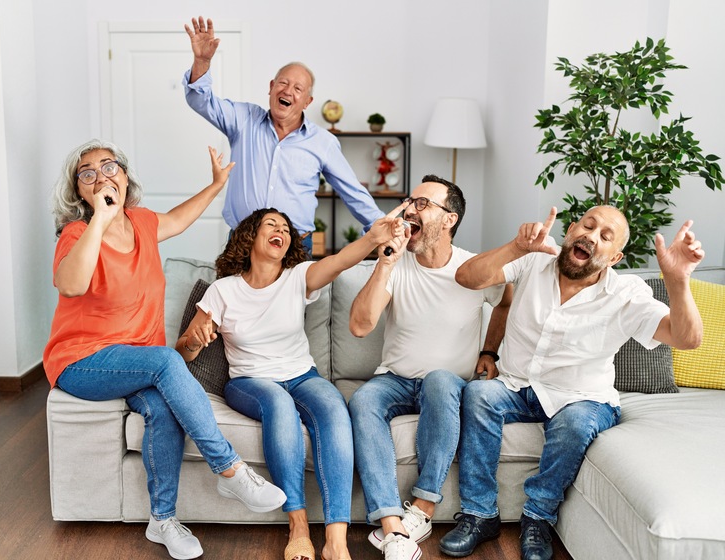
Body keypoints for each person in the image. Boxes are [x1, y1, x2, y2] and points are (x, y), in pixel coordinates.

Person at [43, 139, 287, 560]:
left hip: (137, 362)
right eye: (88, 173)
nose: (101, 175)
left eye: (109, 166)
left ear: (124, 175)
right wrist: (100, 220)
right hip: (82, 361)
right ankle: (229, 469)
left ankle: (162, 520)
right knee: (167, 361)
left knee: (162, 408)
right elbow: (71, 284)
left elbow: (178, 217)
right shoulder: (77, 233)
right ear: (80, 192)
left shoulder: (141, 222)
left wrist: (215, 185)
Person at [440, 206, 704, 560]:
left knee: (576, 422)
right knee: (478, 394)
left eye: (605, 237)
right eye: (587, 225)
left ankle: (537, 518)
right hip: (517, 385)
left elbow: (686, 338)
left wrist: (678, 280)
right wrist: (517, 248)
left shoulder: (627, 293)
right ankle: (479, 514)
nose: (591, 236)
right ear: (572, 229)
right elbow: (467, 278)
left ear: (615, 257)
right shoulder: (535, 259)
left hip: (582, 397)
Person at [178, 203, 409, 560]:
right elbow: (184, 352)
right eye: (271, 225)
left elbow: (343, 260)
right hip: (250, 381)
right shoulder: (222, 291)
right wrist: (194, 342)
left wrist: (374, 237)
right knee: (279, 405)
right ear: (250, 237)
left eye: (286, 229)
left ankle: (336, 540)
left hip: (302, 375)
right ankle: (298, 526)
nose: (281, 231)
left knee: (335, 410)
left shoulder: (298, 276)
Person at [347, 175, 513, 560]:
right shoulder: (398, 262)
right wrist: (386, 262)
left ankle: (423, 507)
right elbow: (359, 326)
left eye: (422, 204)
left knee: (440, 380)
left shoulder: (473, 269)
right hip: (395, 380)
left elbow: (505, 302)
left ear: (449, 219)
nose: (409, 210)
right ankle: (392, 525)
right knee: (362, 400)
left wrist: (490, 350)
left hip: (446, 383)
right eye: (409, 202)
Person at [182, 15, 384, 250]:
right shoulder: (244, 119)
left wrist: (383, 227)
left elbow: (353, 192)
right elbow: (200, 101)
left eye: (298, 88)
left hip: (295, 246)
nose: (288, 91)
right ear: (271, 87)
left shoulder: (323, 142)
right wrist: (202, 62)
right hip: (242, 243)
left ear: (307, 101)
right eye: (283, 83)